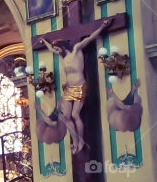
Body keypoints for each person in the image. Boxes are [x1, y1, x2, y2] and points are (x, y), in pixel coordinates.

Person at [40, 18, 112, 154]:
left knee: (75, 114)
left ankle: (81, 141)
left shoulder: (77, 50)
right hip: (68, 88)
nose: (56, 50)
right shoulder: (63, 57)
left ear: (63, 46)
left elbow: (90, 38)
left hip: (79, 85)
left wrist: (102, 27)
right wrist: (43, 41)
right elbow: (50, 48)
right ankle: (76, 141)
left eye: (58, 47)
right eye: (55, 48)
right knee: (66, 116)